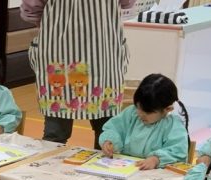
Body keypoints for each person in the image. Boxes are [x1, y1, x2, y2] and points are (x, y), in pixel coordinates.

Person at [22, 0, 135, 147]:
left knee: (56, 133)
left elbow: (32, 8)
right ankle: (101, 161)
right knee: (105, 131)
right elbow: (127, 3)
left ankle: (51, 161)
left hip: (60, 46)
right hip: (102, 50)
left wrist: (50, 22)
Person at [99, 73, 190, 169]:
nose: (140, 114)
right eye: (138, 107)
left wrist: (156, 159)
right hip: (125, 169)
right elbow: (114, 128)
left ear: (167, 109)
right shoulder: (131, 113)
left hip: (154, 174)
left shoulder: (173, 125)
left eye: (147, 112)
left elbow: (178, 152)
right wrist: (109, 141)